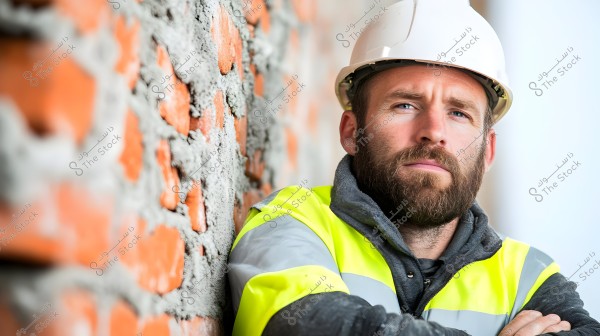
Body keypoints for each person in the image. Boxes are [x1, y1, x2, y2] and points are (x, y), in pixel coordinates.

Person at [227, 0, 600, 335]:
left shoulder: (528, 277)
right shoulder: (291, 222)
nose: (433, 132)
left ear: (487, 151)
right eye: (405, 105)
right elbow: (307, 325)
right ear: (353, 131)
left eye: (458, 113)